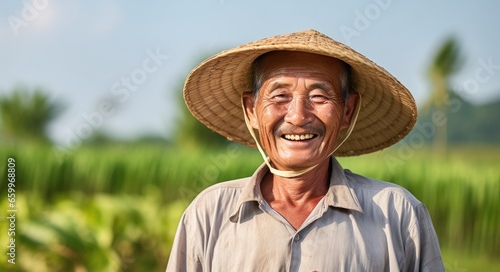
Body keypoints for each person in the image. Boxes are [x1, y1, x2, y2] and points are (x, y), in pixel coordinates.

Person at [166, 29, 445, 272]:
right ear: (251, 110)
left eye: (319, 96)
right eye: (280, 96)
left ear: (347, 111)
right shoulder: (209, 214)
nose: (298, 116)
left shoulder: (397, 215)